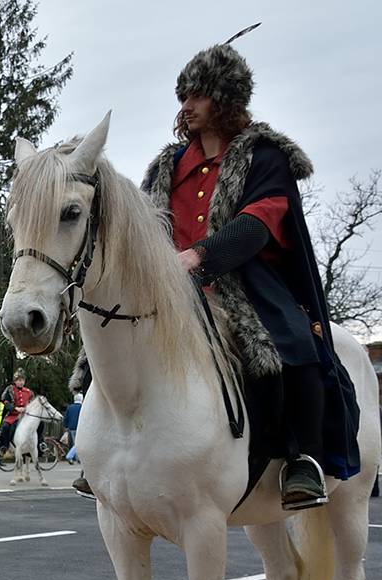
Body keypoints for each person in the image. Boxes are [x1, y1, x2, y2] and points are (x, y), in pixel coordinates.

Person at [73, 42, 362, 507]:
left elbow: (260, 219)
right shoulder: (167, 165)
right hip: (169, 287)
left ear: (224, 98)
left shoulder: (266, 156)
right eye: (183, 95)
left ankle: (302, 460)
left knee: (293, 345)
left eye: (197, 95)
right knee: (109, 346)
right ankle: (107, 457)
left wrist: (199, 256)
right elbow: (144, 224)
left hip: (246, 282)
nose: (185, 106)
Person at [0, 370, 33, 453]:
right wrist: (15, 408)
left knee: (40, 423)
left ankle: (41, 443)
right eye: (19, 380)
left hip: (26, 415)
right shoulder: (10, 390)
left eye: (23, 380)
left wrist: (26, 409)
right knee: (6, 427)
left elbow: (32, 403)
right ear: (15, 381)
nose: (21, 382)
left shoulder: (28, 392)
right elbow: (5, 401)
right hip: (13, 415)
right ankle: (5, 446)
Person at [63, 393, 83, 464]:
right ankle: (70, 456)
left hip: (71, 428)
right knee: (78, 443)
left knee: (76, 442)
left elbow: (66, 418)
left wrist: (65, 426)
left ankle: (78, 458)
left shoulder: (70, 407)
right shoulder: (82, 407)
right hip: (80, 427)